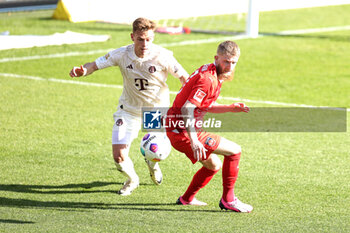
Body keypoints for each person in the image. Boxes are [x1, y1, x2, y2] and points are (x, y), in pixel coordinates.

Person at [69, 18, 189, 196]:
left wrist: (185, 98)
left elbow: (184, 78)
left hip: (154, 112)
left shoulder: (163, 56)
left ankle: (152, 164)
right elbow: (93, 65)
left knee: (156, 152)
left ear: (153, 37)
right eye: (140, 39)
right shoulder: (121, 54)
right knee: (118, 157)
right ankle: (132, 179)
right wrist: (84, 71)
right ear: (132, 37)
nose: (145, 43)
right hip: (128, 111)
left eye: (148, 39)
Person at [166, 41, 253, 212]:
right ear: (217, 58)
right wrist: (194, 141)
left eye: (233, 62)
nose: (229, 66)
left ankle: (186, 199)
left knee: (214, 165)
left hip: (179, 128)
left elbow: (205, 105)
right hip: (183, 131)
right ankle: (229, 200)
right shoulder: (208, 79)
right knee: (235, 150)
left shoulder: (212, 72)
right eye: (226, 61)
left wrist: (230, 108)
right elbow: (187, 109)